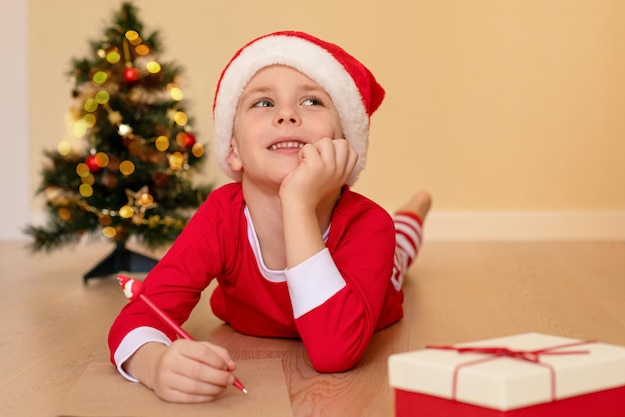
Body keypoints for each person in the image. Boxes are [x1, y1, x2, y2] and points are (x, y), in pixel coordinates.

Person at [108, 30, 432, 403]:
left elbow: (334, 351)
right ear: (233, 152)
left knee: (399, 251)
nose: (287, 114)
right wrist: (154, 365)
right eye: (263, 103)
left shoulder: (369, 224)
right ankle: (414, 209)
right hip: (256, 311)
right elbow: (138, 316)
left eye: (312, 100)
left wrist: (296, 201)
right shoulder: (220, 216)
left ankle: (414, 210)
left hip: (374, 288)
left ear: (346, 148)